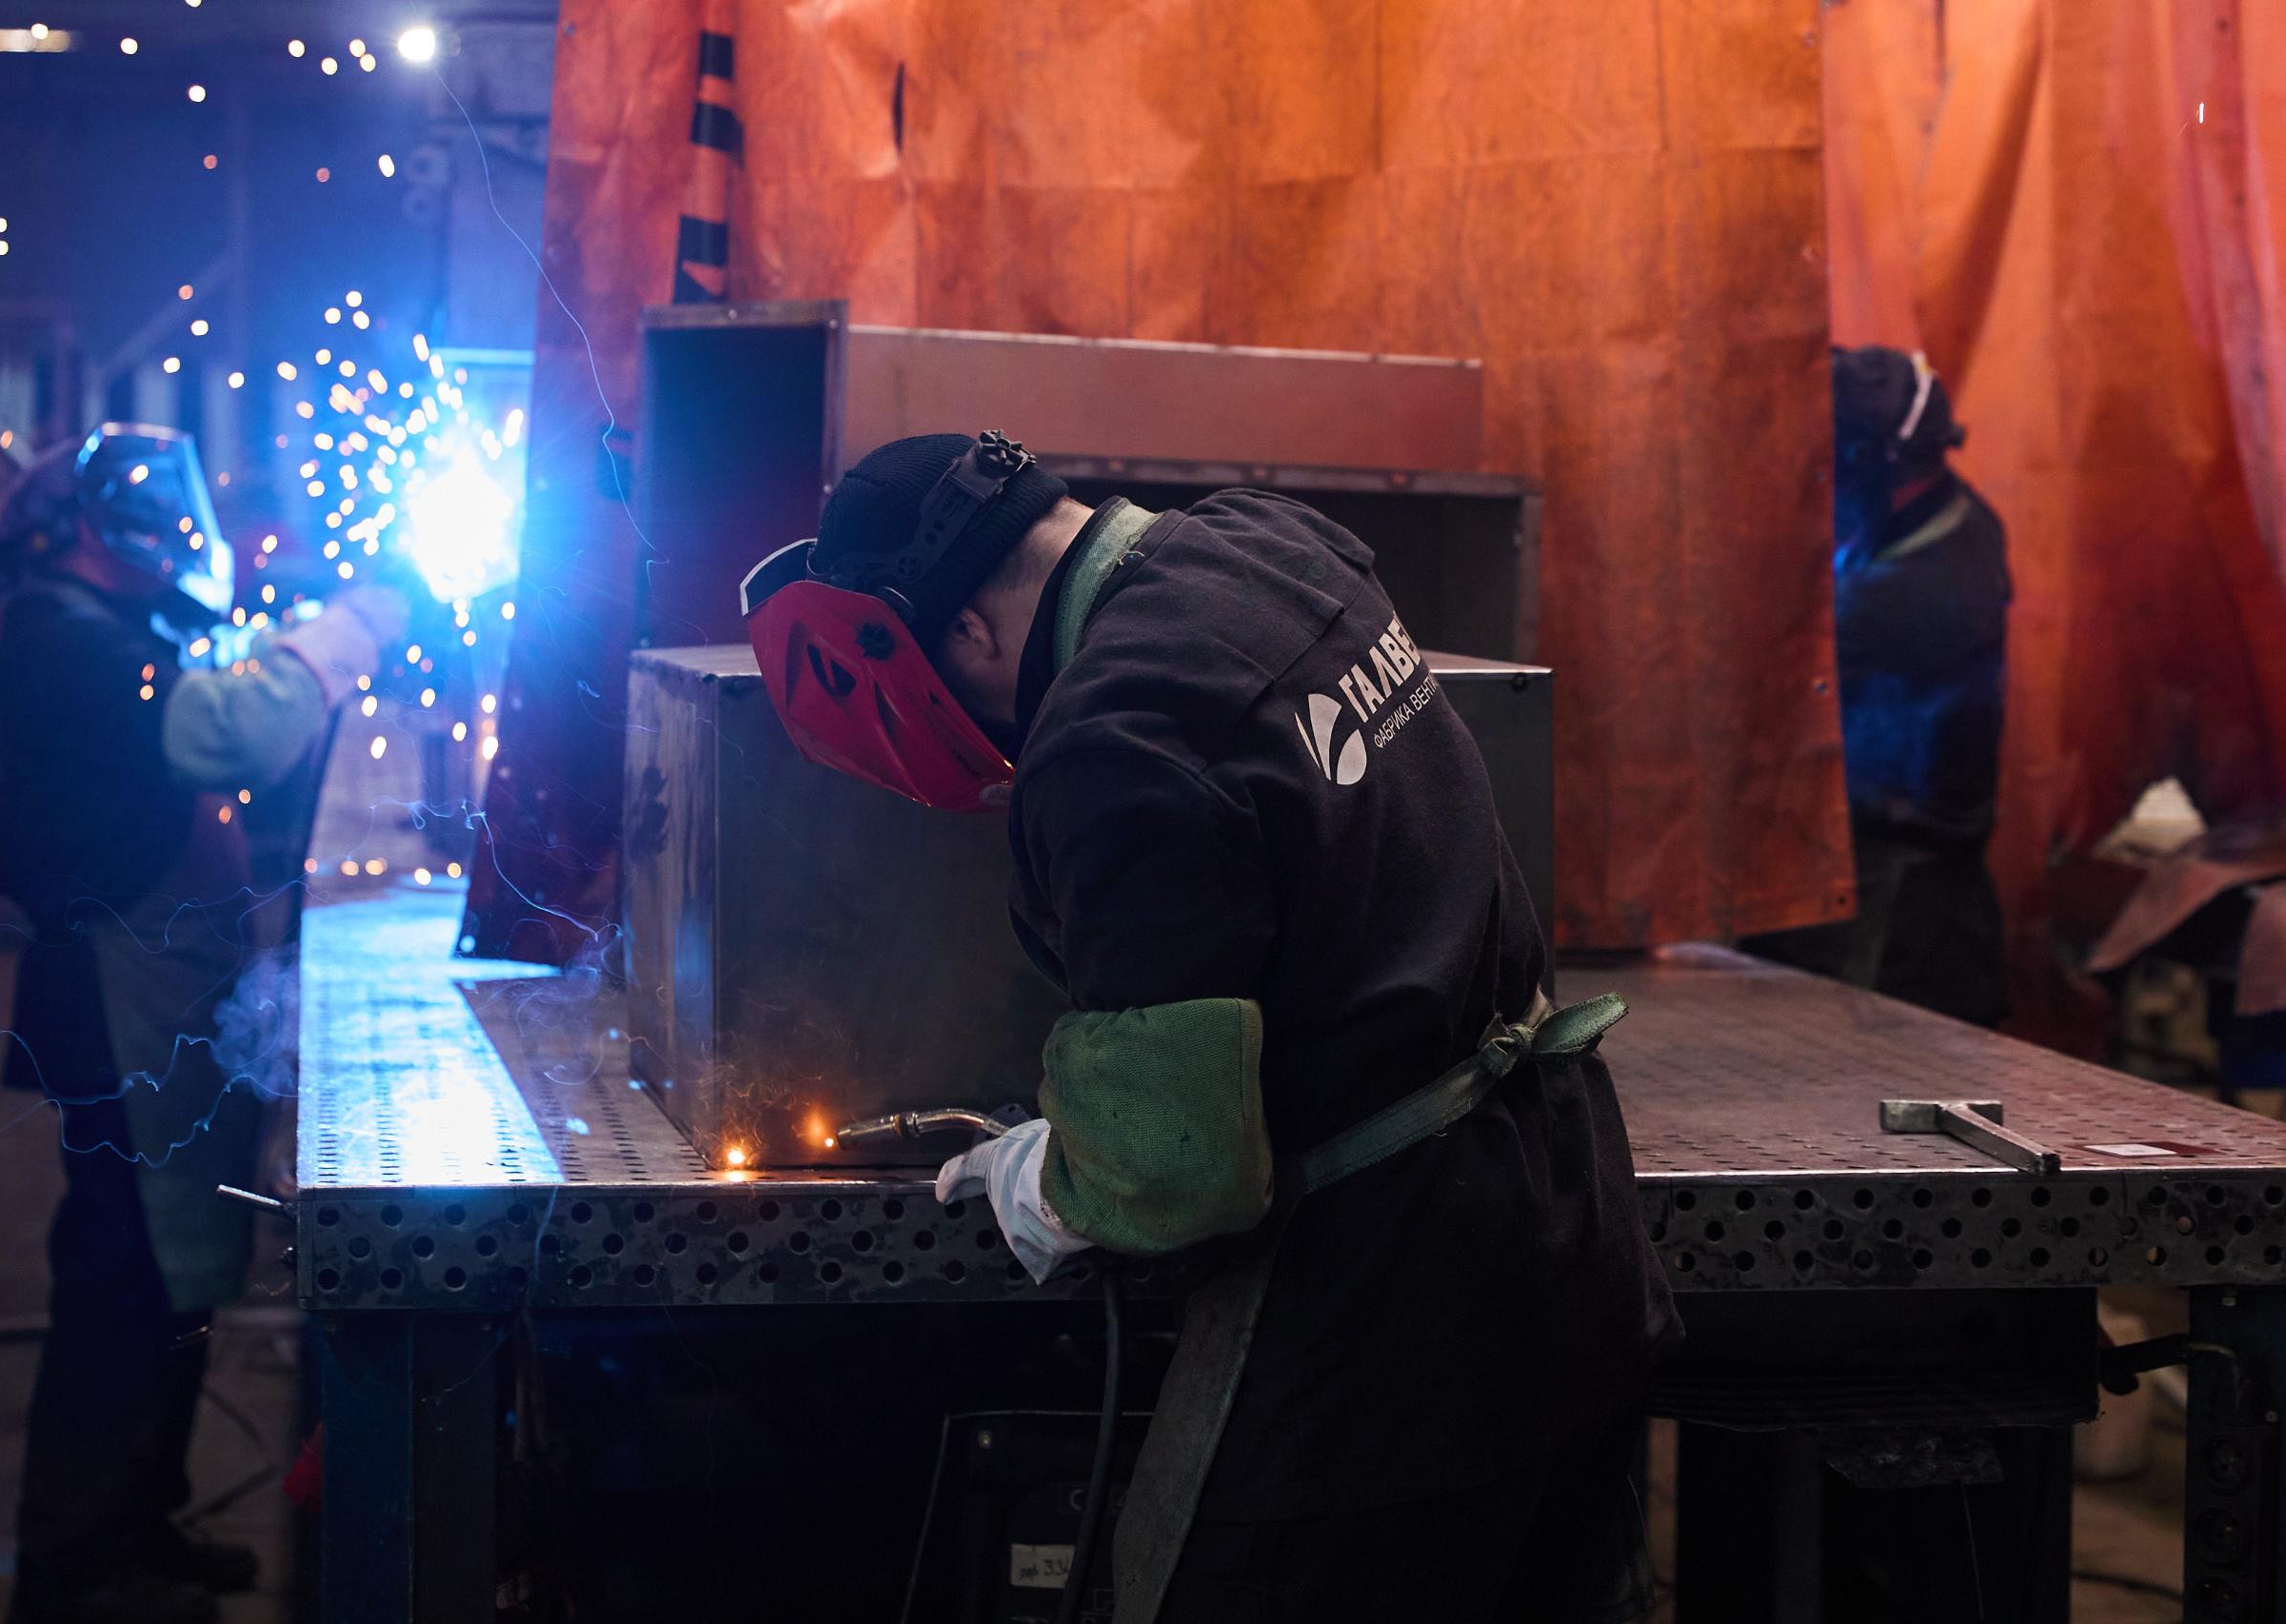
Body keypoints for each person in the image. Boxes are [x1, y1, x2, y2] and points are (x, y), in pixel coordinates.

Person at [742, 431, 1678, 1621]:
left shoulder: (1111, 736)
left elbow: (1173, 1170)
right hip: (1567, 1233)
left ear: (967, 631)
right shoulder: (1262, 539)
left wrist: (1054, 1182)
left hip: (1395, 1319)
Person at [0, 426, 407, 1624]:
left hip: (158, 991)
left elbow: (226, 675)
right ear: (93, 525)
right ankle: (75, 1568)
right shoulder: (63, 635)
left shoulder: (122, 624)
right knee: (122, 1282)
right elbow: (229, 728)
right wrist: (359, 620)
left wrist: (307, 626)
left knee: (175, 1280)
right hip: (112, 995)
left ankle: (141, 1522)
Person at [1749, 347, 2014, 1025]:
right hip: (1885, 884)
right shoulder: (1954, 515)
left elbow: (1770, 670)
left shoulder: (1915, 589)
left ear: (1870, 466)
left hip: (1903, 919)